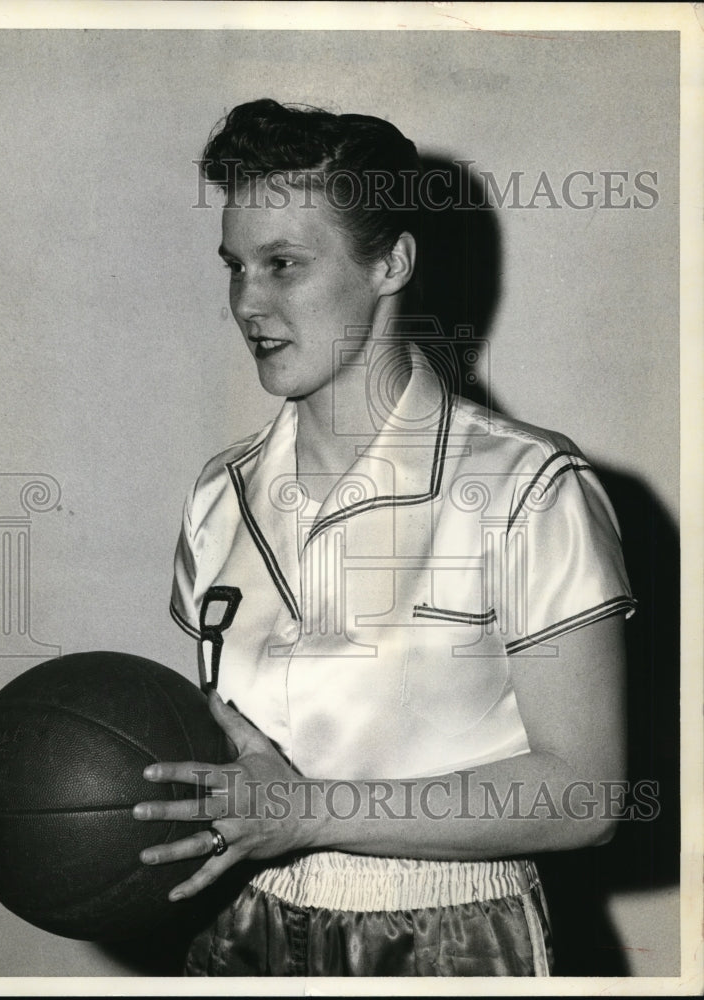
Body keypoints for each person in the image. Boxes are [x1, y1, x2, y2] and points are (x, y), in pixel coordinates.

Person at [132, 98, 635, 977]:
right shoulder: (219, 497)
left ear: (391, 262)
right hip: (239, 929)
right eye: (236, 265)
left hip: (448, 938)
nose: (247, 301)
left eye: (284, 263)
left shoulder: (527, 488)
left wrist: (312, 813)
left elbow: (584, 796)